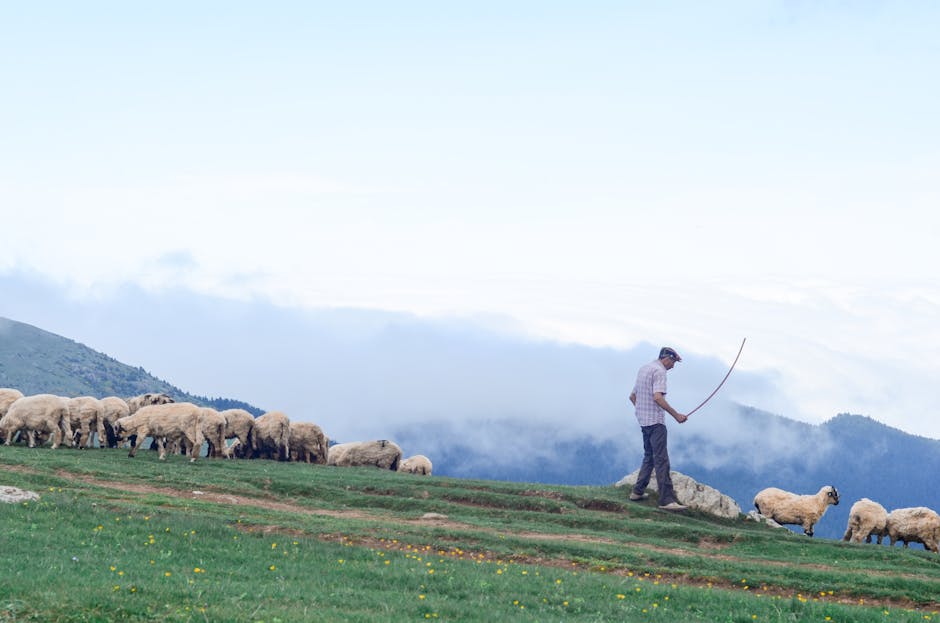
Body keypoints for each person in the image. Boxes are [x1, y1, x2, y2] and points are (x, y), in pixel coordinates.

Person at [628, 346, 688, 511]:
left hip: (643, 421)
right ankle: (666, 500)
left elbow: (633, 396)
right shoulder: (660, 372)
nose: (673, 366)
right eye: (674, 362)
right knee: (661, 459)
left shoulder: (644, 369)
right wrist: (676, 415)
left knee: (649, 456)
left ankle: (637, 492)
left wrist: (641, 411)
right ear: (667, 358)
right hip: (656, 422)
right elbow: (657, 397)